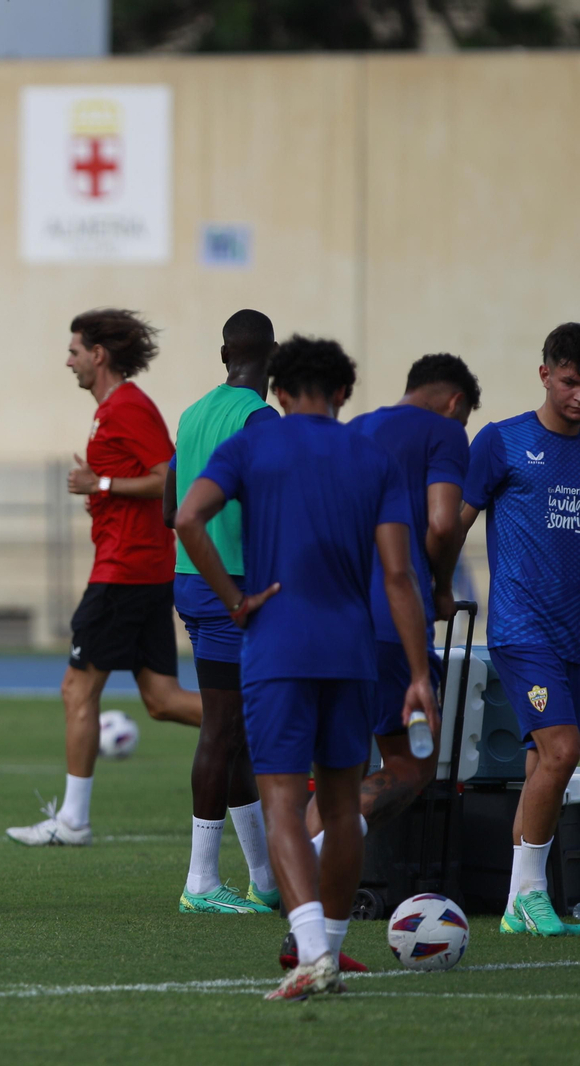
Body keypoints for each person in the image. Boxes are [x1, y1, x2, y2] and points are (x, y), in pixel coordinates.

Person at [175, 336, 436, 1001]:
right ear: (344, 393)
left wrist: (234, 600)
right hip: (352, 649)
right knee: (343, 806)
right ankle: (335, 950)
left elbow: (188, 517)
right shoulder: (371, 458)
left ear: (280, 393)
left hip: (277, 647)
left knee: (286, 804)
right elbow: (400, 574)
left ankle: (311, 949)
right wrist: (417, 672)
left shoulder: (252, 444)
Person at [8, 308, 202, 847]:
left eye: (74, 350)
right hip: (137, 567)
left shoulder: (128, 405)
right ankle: (264, 727)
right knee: (162, 699)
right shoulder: (110, 410)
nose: (67, 360)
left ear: (99, 355)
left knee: (77, 688)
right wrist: (102, 485)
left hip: (126, 570)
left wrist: (103, 482)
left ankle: (73, 821)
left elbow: (171, 476)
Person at [304, 355, 478, 860]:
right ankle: (313, 854)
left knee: (341, 770)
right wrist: (442, 585)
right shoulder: (444, 432)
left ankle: (300, 883)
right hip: (390, 619)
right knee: (412, 763)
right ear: (455, 402)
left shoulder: (354, 427)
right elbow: (444, 524)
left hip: (333, 612)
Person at [460, 322, 580, 938]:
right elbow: (455, 524)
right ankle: (528, 898)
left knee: (545, 767)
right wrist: (430, 588)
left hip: (575, 635)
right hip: (522, 629)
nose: (578, 395)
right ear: (545, 374)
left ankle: (520, 902)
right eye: (569, 382)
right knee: (562, 751)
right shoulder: (503, 442)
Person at [161, 309, 281, 915]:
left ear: (224, 353)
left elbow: (168, 508)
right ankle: (201, 883)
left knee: (233, 735)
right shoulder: (260, 419)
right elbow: (273, 509)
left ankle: (264, 879)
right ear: (273, 356)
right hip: (234, 587)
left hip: (190, 577)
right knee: (224, 730)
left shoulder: (191, 414)